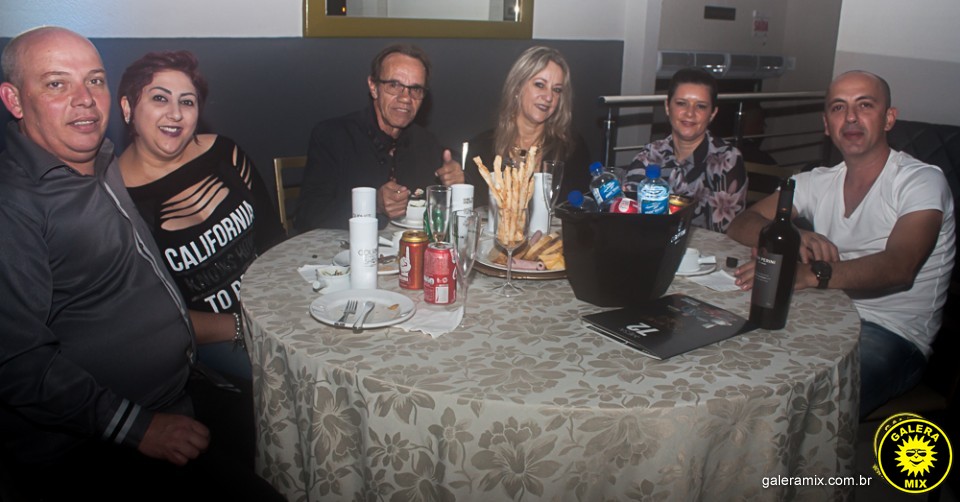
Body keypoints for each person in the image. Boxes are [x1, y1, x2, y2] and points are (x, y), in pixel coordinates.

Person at [0, 27, 282, 500]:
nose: (84, 99)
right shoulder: (15, 204)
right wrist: (138, 426)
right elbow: (18, 364)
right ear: (14, 100)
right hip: (99, 438)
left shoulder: (101, 164)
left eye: (93, 80)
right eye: (56, 83)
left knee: (281, 451)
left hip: (185, 385)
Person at [727, 70, 956, 418]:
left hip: (890, 334)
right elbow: (742, 223)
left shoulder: (921, 181)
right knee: (738, 369)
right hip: (824, 314)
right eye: (838, 107)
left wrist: (809, 274)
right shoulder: (817, 181)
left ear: (889, 118)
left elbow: (900, 266)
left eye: (864, 105)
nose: (850, 117)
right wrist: (793, 234)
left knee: (800, 411)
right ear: (826, 124)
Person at [117, 50, 285, 381]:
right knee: (288, 377)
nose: (176, 113)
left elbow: (272, 239)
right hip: (209, 338)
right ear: (127, 108)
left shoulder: (225, 154)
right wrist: (243, 325)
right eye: (160, 98)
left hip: (272, 307)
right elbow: (152, 318)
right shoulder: (118, 200)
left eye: (187, 102)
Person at [295, 44, 464, 231]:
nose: (406, 98)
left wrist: (458, 185)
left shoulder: (426, 142)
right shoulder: (333, 136)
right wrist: (373, 204)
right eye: (394, 85)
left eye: (415, 89)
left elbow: (445, 214)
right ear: (373, 87)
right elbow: (308, 215)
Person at [623, 67, 747, 232]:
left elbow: (724, 234)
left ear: (712, 114)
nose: (690, 113)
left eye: (700, 106)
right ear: (667, 107)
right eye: (681, 103)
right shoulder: (649, 155)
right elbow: (627, 217)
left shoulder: (726, 160)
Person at [465, 45, 591, 206]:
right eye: (540, 85)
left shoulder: (571, 149)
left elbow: (580, 210)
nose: (549, 97)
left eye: (557, 90)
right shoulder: (482, 147)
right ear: (517, 87)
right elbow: (473, 210)